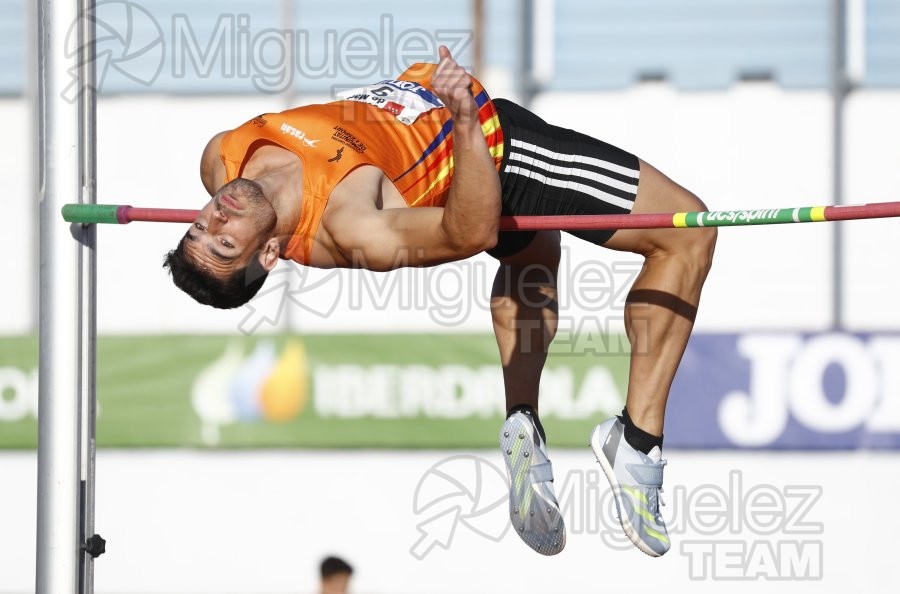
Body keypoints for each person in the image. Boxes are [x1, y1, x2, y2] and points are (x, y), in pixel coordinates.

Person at [164, 46, 716, 557]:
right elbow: (469, 231)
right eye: (228, 242)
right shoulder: (351, 227)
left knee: (532, 260)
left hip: (446, 119)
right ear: (269, 256)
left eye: (201, 228)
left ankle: (523, 421)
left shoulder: (220, 159)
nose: (217, 217)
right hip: (497, 151)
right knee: (687, 232)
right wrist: (468, 127)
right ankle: (637, 443)